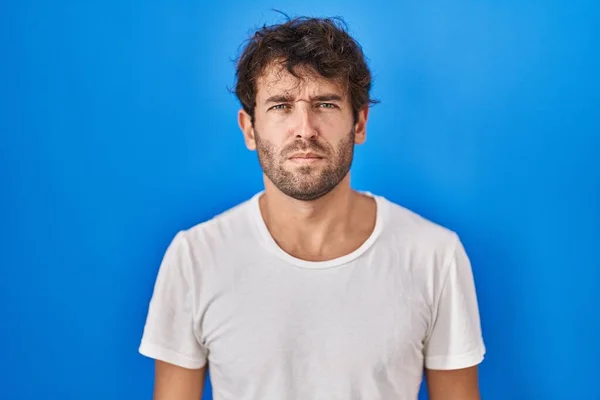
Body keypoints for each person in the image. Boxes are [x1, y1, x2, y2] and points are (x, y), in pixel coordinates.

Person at [138, 15, 486, 400]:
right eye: (281, 106)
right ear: (249, 129)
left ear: (359, 124)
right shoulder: (195, 258)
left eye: (324, 103)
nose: (304, 129)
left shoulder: (435, 255)